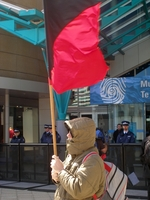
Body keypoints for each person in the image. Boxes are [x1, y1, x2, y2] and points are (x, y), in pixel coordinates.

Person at [50, 117, 105, 200]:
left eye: (71, 132)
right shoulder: (71, 156)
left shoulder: (93, 160)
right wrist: (57, 178)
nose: (67, 135)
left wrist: (61, 171)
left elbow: (80, 190)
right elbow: (66, 184)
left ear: (82, 136)